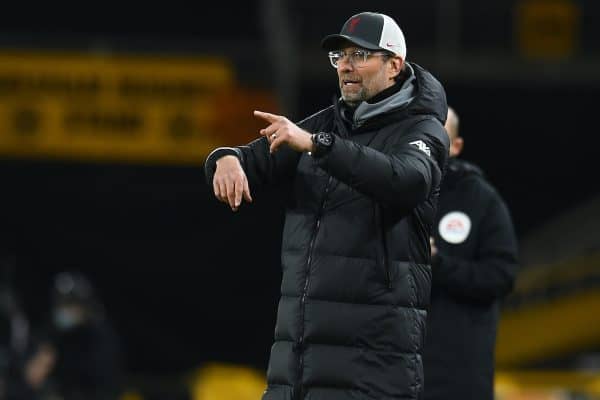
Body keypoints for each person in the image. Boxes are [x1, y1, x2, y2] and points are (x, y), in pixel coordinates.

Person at [205, 11, 449, 400]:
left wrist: (319, 145)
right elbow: (253, 158)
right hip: (298, 366)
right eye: (340, 57)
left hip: (371, 370)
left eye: (360, 56)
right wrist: (224, 158)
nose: (346, 67)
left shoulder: (422, 130)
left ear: (394, 65)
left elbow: (407, 181)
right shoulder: (329, 123)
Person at [422, 107, 519, 400]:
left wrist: (437, 263)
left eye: (438, 137)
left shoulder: (481, 200)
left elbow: (502, 276)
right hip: (390, 371)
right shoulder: (390, 194)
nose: (426, 145)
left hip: (458, 376)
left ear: (457, 146)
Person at [48, 271, 124, 400]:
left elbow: (104, 381)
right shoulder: (61, 335)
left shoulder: (100, 336)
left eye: (69, 303)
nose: (63, 308)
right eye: (60, 303)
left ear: (83, 305)